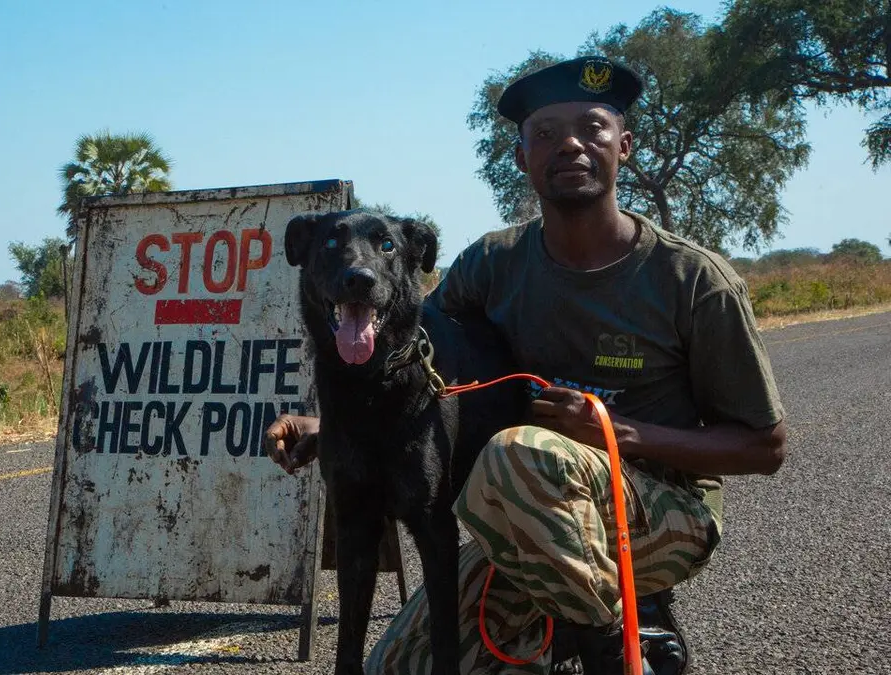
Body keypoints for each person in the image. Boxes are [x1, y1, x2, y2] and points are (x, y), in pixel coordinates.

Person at [264, 56, 787, 675]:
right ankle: (562, 625)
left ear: (624, 145)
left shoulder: (694, 280)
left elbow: (764, 447)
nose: (569, 144)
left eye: (592, 128)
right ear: (521, 157)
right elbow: (411, 356)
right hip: (531, 518)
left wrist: (617, 432)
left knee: (518, 454)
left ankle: (624, 640)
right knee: (401, 667)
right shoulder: (493, 263)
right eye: (545, 133)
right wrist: (335, 427)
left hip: (661, 512)